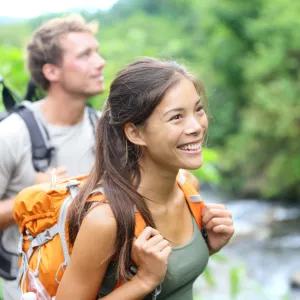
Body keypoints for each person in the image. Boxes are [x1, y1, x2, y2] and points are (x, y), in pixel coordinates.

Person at [56, 58, 234, 300]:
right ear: (135, 133)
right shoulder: (106, 221)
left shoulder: (188, 187)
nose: (196, 126)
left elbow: (174, 279)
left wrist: (207, 246)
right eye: (176, 117)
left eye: (198, 109)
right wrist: (144, 280)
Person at [0, 14, 106, 300]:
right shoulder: (11, 135)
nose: (100, 62)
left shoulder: (105, 130)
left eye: (96, 51)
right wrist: (41, 195)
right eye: (85, 55)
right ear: (51, 72)